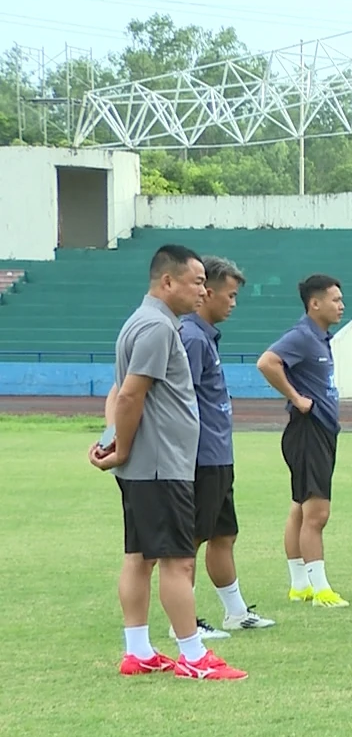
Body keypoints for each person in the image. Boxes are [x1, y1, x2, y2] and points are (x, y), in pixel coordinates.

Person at [93, 244, 245, 679]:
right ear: (168, 282)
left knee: (139, 557)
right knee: (177, 561)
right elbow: (129, 394)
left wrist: (111, 442)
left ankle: (138, 650)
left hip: (148, 465)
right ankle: (194, 656)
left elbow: (120, 390)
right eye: (197, 282)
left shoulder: (142, 323)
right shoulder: (159, 328)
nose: (203, 291)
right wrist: (119, 447)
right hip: (161, 466)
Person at [181, 255, 273, 636]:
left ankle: (235, 611)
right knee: (193, 537)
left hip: (218, 454)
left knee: (223, 534)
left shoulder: (205, 337)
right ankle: (182, 623)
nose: (233, 303)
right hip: (200, 456)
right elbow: (174, 395)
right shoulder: (190, 336)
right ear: (206, 293)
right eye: (229, 295)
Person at [258, 273, 349, 608]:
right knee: (317, 512)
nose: (341, 305)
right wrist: (296, 398)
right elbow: (267, 362)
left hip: (320, 430)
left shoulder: (319, 337)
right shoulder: (302, 336)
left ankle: (299, 585)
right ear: (315, 303)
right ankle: (321, 588)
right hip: (308, 430)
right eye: (335, 299)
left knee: (300, 506)